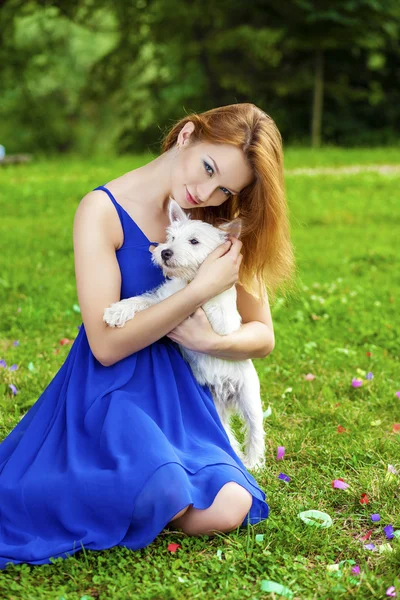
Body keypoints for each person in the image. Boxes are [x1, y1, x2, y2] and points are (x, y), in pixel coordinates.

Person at [0, 103, 296, 570]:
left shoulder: (214, 224)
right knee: (163, 487)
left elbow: (262, 336)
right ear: (186, 136)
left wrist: (212, 342)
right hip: (115, 388)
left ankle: (143, 485)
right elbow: (105, 343)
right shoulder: (101, 210)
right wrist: (198, 290)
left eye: (224, 187)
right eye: (208, 167)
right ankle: (98, 483)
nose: (206, 191)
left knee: (231, 505)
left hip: (185, 395)